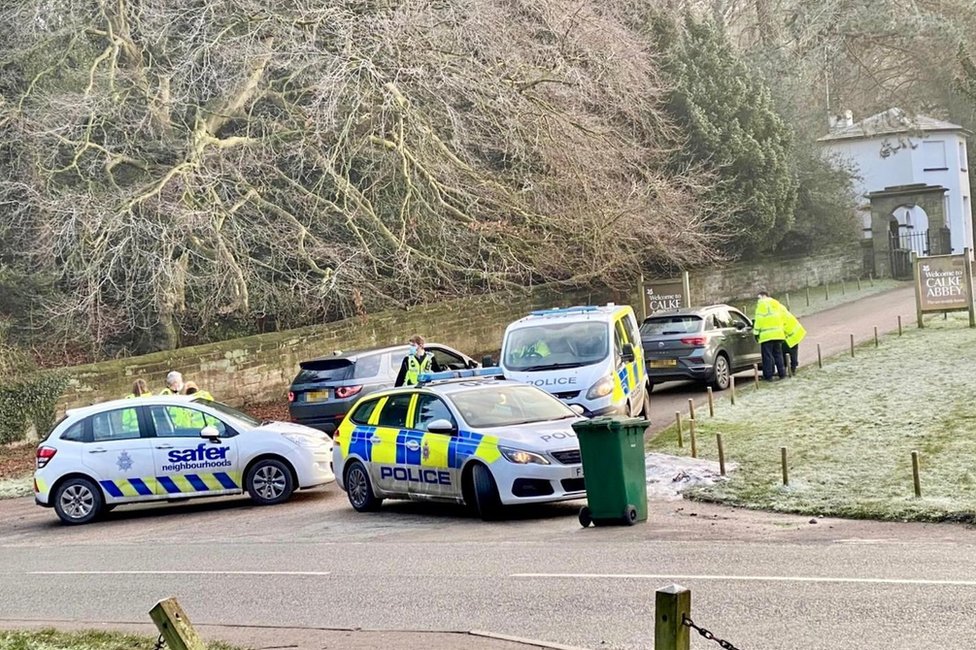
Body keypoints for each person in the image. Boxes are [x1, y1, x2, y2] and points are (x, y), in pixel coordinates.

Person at [752, 289, 786, 381]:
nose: (758, 300)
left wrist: (756, 333)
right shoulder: (776, 303)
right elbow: (782, 316)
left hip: (766, 335)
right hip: (778, 334)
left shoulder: (761, 305)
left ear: (763, 296)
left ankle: (768, 376)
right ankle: (782, 373)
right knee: (778, 354)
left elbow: (759, 319)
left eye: (759, 297)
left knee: (767, 356)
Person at [778, 304, 806, 376]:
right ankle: (792, 368)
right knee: (792, 353)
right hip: (794, 336)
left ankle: (790, 369)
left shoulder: (779, 316)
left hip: (789, 337)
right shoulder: (783, 311)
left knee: (787, 353)